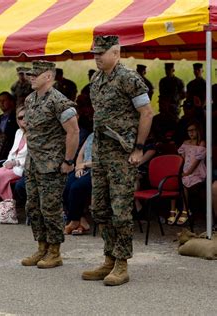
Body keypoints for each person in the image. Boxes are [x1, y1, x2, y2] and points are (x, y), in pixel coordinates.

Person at [82, 35, 153, 286]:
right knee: (99, 208)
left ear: (116, 52)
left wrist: (139, 149)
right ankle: (109, 258)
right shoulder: (97, 78)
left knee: (120, 210)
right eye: (95, 53)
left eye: (102, 53)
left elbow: (146, 113)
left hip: (122, 155)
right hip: (101, 154)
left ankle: (122, 264)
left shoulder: (129, 78)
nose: (97, 57)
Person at [20, 61, 79, 269]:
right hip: (34, 163)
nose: (31, 77)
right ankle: (41, 247)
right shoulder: (30, 100)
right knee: (33, 207)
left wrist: (69, 161)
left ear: (49, 77)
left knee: (50, 208)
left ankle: (55, 251)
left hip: (52, 164)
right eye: (30, 74)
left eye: (36, 74)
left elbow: (73, 132)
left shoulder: (59, 102)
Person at [0, 107, 26, 210]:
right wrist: (8, 161)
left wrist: (15, 162)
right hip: (10, 166)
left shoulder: (34, 134)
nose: (24, 119)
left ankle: (0, 212)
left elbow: (32, 157)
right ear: (17, 120)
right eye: (20, 117)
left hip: (22, 168)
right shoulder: (19, 132)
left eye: (26, 116)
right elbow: (12, 151)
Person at [168, 122, 206, 225]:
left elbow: (197, 161)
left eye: (193, 130)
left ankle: (185, 211)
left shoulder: (201, 143)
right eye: (189, 131)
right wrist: (180, 171)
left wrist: (188, 173)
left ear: (198, 131)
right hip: (185, 169)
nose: (191, 133)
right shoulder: (185, 142)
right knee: (174, 181)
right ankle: (173, 210)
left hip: (197, 171)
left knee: (184, 181)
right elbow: (182, 158)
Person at [63, 133, 93, 235]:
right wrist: (78, 167)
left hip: (96, 171)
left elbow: (103, 161)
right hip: (82, 168)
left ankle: (74, 221)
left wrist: (83, 165)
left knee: (77, 187)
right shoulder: (91, 135)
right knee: (65, 184)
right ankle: (81, 220)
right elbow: (80, 154)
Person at [0, 92, 19, 158]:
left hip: (9, 149)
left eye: (4, 100)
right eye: (0, 101)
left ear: (11, 102)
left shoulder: (17, 117)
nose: (1, 103)